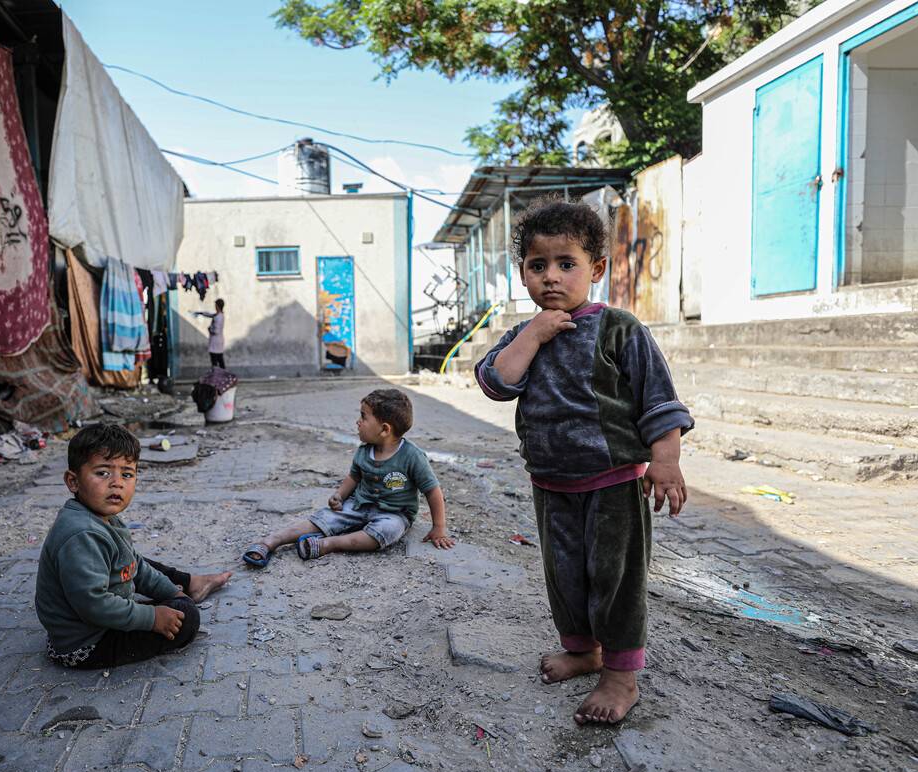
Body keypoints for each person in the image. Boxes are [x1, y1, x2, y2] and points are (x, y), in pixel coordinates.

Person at [474, 197, 693, 726]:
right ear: (522, 273)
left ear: (595, 270)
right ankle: (583, 649)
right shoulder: (525, 335)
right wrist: (533, 333)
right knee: (565, 575)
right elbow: (496, 382)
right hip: (550, 484)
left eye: (566, 264)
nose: (552, 277)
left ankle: (620, 675)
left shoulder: (620, 329)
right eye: (537, 265)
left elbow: (658, 401)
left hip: (615, 483)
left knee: (615, 578)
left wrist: (665, 460)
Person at [36, 424, 232, 669]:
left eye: (127, 474)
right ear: (73, 481)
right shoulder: (82, 533)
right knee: (187, 620)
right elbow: (94, 604)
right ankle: (186, 591)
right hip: (85, 645)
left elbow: (136, 564)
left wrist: (171, 592)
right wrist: (152, 618)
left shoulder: (102, 518)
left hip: (89, 627)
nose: (117, 483)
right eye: (103, 473)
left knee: (138, 565)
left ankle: (187, 585)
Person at [242, 388, 451, 567]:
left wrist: (439, 527)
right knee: (325, 518)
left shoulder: (412, 456)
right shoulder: (364, 451)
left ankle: (328, 544)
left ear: (385, 429)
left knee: (388, 530)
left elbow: (432, 490)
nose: (358, 422)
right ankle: (271, 541)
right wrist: (340, 495)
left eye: (364, 417)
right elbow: (354, 476)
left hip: (394, 514)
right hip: (358, 505)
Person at [193, 298, 226, 369]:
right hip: (217, 342)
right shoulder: (219, 315)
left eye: (216, 305)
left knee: (216, 360)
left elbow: (216, 331)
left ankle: (218, 375)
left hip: (215, 342)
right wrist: (200, 313)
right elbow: (210, 315)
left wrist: (210, 329)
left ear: (217, 306)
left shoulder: (218, 317)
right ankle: (220, 374)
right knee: (219, 359)